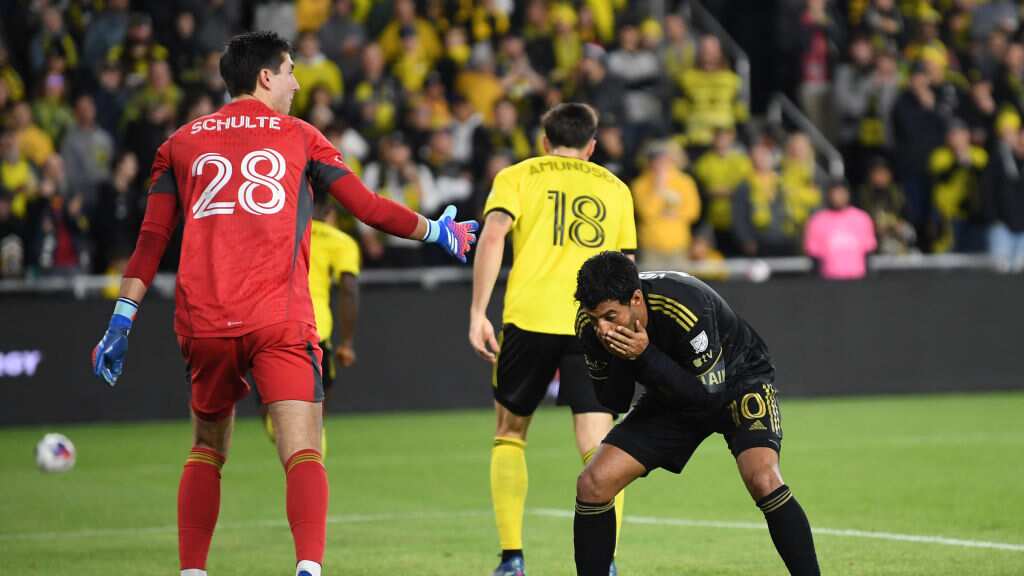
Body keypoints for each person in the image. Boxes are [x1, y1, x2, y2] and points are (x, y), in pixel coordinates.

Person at [90, 31, 477, 576]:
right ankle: (308, 569)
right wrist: (436, 230)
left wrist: (120, 321)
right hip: (279, 319)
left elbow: (150, 241)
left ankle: (193, 572)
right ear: (266, 76)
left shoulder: (179, 143)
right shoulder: (299, 136)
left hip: (204, 322)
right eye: (291, 70)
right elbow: (365, 207)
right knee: (302, 451)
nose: (297, 83)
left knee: (206, 448)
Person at [571, 252, 819, 576]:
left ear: (635, 299)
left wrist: (645, 355)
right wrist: (621, 354)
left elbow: (708, 400)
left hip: (737, 380)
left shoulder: (684, 303)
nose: (602, 328)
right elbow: (613, 401)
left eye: (610, 316)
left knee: (764, 478)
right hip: (670, 390)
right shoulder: (590, 328)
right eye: (594, 319)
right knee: (593, 483)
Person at [469, 103, 637, 576]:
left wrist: (478, 312)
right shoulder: (615, 188)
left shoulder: (517, 175)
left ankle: (511, 558)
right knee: (601, 448)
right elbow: (625, 267)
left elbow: (493, 235)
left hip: (529, 318)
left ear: (545, 141)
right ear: (592, 145)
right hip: (594, 325)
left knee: (509, 433)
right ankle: (603, 564)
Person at [262, 193, 361, 454]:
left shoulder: (278, 232)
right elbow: (349, 289)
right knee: (314, 413)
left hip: (270, 327)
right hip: (314, 331)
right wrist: (348, 342)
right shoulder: (339, 241)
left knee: (274, 402)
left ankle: (279, 429)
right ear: (330, 214)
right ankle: (311, 471)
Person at [804, 179, 877, 279]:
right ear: (828, 195)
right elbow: (815, 257)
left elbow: (868, 252)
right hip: (828, 281)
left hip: (858, 280)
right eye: (835, 193)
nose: (839, 196)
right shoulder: (817, 220)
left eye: (842, 192)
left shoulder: (862, 218)